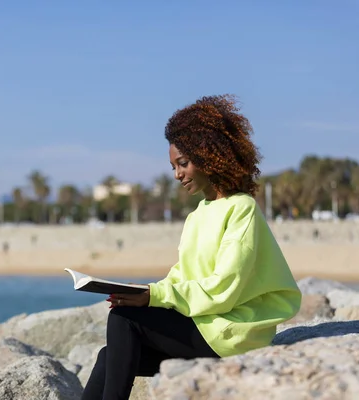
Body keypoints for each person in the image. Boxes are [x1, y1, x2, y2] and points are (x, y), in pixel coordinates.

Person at [81, 95, 302, 400]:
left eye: (183, 163)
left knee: (124, 320)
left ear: (209, 156)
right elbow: (183, 276)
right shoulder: (198, 214)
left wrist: (154, 298)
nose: (177, 174)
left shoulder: (242, 208)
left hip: (231, 334)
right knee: (109, 356)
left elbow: (225, 288)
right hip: (204, 327)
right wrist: (142, 293)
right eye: (173, 166)